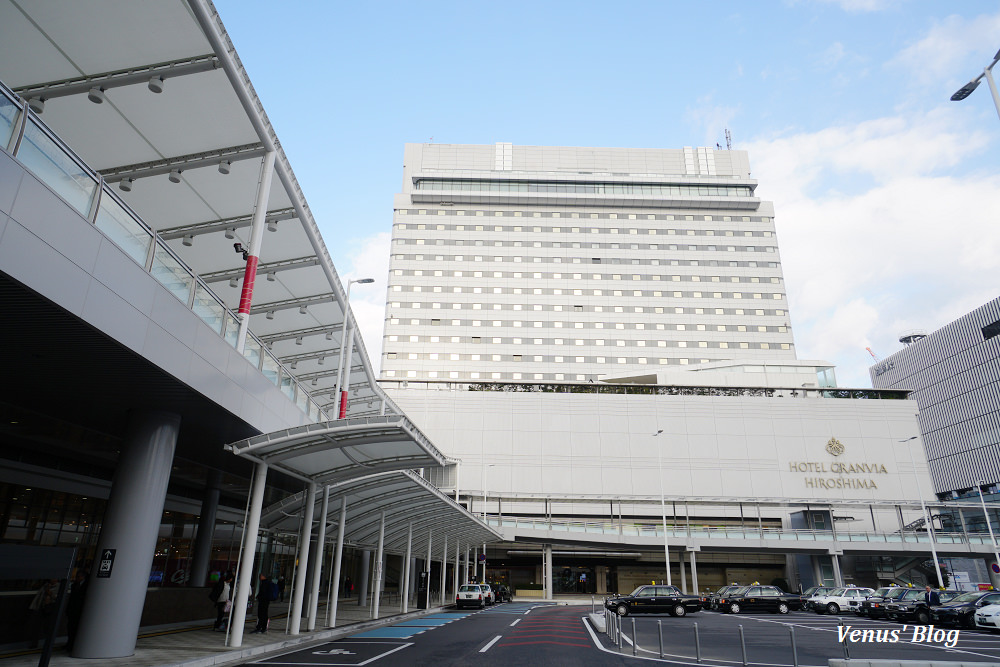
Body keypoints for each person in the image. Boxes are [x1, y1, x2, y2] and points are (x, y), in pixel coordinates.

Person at [27, 579, 59, 649]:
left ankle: (48, 643)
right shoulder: (45, 586)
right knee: (36, 626)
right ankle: (34, 643)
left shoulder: (58, 587)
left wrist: (50, 593)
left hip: (50, 608)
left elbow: (56, 597)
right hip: (42, 607)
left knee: (48, 627)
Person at [66, 570, 89, 651]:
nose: (76, 578)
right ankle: (69, 643)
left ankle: (73, 644)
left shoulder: (87, 586)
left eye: (78, 576)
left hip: (80, 610)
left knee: (76, 628)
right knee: (70, 627)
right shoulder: (74, 585)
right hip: (73, 609)